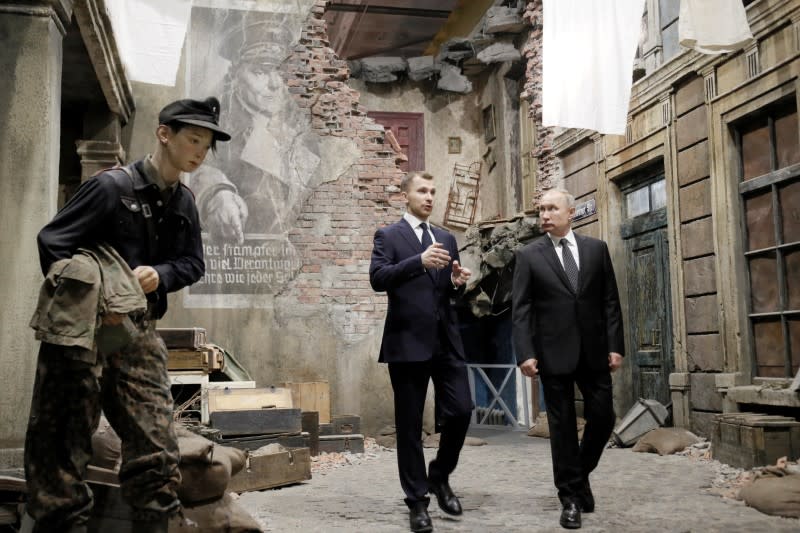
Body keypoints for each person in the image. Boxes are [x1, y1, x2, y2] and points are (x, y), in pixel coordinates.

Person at [24, 97, 231, 532]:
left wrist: (160, 273)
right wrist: (97, 292)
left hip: (138, 337)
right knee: (60, 447)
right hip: (83, 336)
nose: (199, 151)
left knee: (156, 449)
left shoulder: (184, 202)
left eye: (206, 144)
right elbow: (54, 242)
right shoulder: (110, 188)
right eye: (193, 139)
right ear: (164, 134)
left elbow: (192, 263)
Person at [511, 188, 624, 530]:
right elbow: (522, 310)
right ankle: (570, 499)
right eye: (541, 209)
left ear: (570, 212)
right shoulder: (529, 255)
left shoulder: (596, 250)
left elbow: (610, 302)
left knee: (603, 417)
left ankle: (577, 476)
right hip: (551, 354)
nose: (544, 215)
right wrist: (525, 353)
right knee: (561, 430)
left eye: (551, 208)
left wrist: (615, 345)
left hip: (594, 352)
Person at [369, 171, 474, 533]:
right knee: (410, 427)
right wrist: (418, 262)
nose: (429, 197)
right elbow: (377, 278)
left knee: (461, 410)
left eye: (433, 191)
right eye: (422, 191)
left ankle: (439, 474)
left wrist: (457, 285)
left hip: (446, 341)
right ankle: (417, 501)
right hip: (406, 343)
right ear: (406, 196)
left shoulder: (446, 237)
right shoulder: (388, 236)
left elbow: (445, 291)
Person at [190, 12, 319, 242]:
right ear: (236, 75)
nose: (274, 84)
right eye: (260, 72)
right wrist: (217, 194)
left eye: (281, 72)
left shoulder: (301, 127)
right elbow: (197, 168)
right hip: (239, 256)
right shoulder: (215, 121)